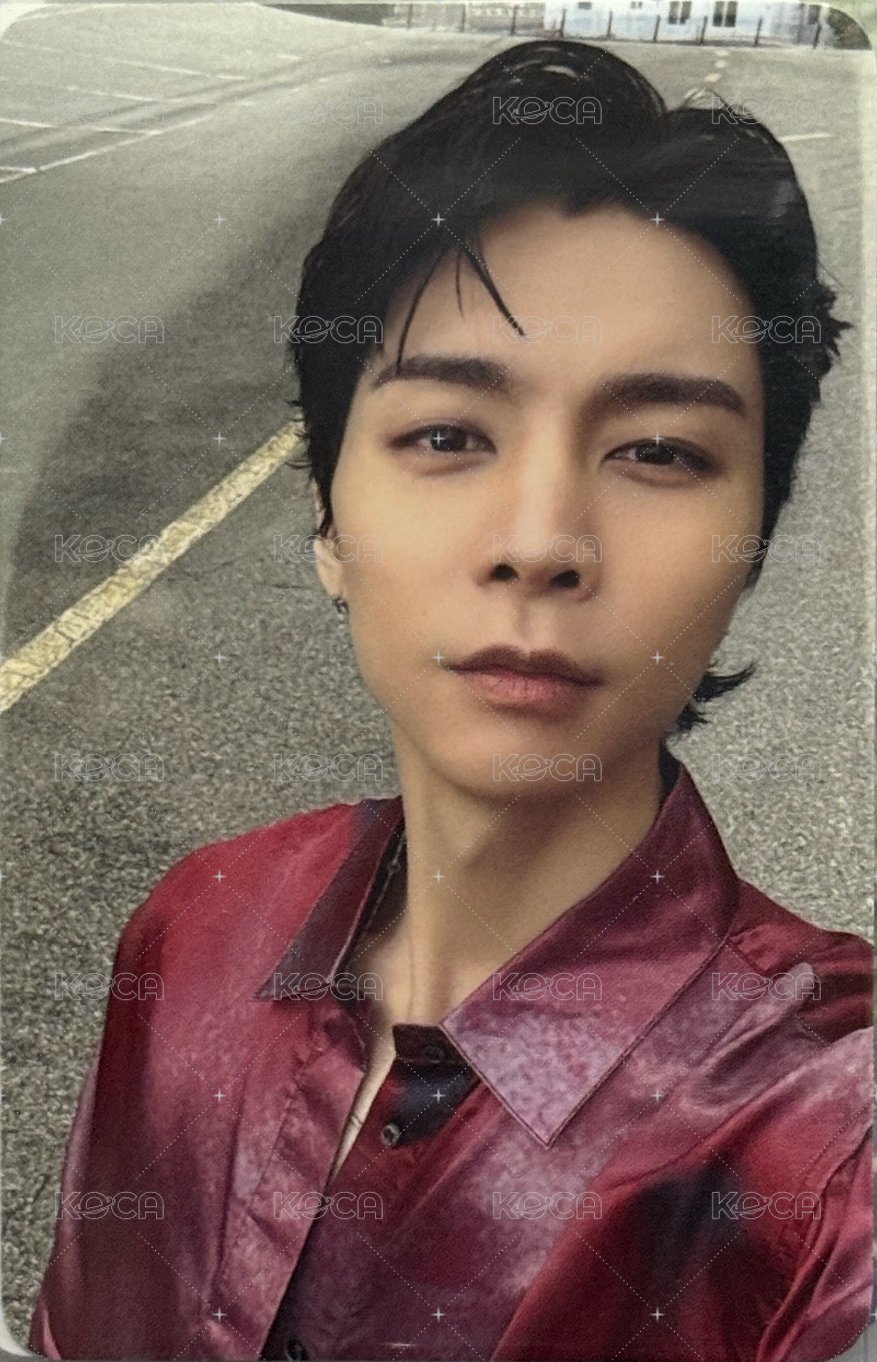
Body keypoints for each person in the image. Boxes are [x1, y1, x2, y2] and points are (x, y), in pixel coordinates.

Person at [28, 35, 872, 1362]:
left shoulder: (822, 1136)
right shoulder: (192, 930)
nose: (539, 541)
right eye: (446, 435)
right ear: (327, 515)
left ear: (751, 544)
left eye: (658, 451)